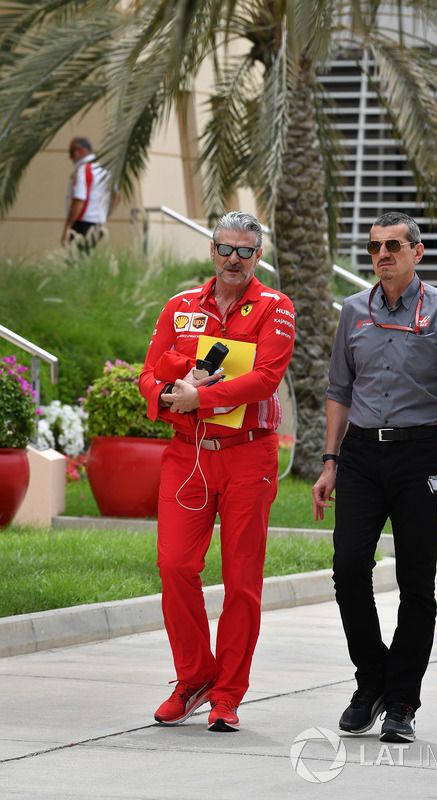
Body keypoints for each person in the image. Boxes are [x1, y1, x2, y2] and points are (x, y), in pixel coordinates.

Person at [312, 211, 437, 743]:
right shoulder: (353, 312)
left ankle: (402, 702)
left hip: (421, 460)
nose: (382, 255)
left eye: (392, 245)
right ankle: (371, 683)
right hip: (362, 456)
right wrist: (330, 461)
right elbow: (340, 390)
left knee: (417, 584)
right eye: (373, 247)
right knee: (347, 571)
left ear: (417, 252)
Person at [139, 211, 295, 732]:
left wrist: (198, 394)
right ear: (212, 250)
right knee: (175, 566)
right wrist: (164, 393)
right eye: (225, 249)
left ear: (257, 256)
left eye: (244, 252)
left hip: (250, 454)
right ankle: (194, 679)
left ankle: (227, 693)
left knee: (241, 581)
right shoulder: (180, 307)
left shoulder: (276, 308)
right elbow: (149, 371)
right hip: (188, 453)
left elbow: (265, 378)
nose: (233, 259)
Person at [62, 137, 119, 250]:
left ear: (81, 151)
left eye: (72, 152)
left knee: (76, 262)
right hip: (98, 224)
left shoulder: (83, 171)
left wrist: (68, 226)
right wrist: (105, 215)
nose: (70, 157)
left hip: (82, 223)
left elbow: (79, 200)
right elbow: (116, 196)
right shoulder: (105, 170)